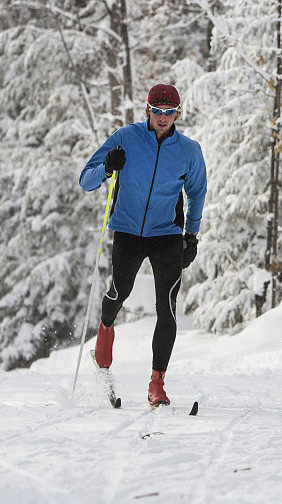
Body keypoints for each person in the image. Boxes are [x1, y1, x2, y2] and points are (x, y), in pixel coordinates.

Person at [78, 84, 207, 406]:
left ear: (178, 113)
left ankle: (157, 382)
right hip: (127, 230)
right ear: (147, 110)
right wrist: (107, 166)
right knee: (119, 290)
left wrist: (191, 235)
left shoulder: (189, 150)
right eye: (157, 111)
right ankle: (104, 336)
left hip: (167, 234)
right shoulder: (126, 137)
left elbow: (197, 193)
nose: (163, 118)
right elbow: (86, 180)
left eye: (170, 112)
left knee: (167, 306)